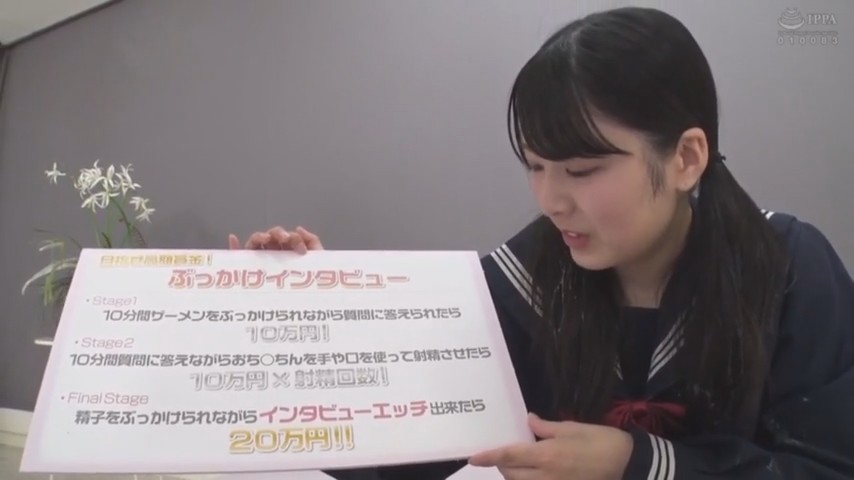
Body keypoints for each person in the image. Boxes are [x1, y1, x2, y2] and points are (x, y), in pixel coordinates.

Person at [229, 6, 854, 480]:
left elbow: (829, 464)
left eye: (582, 170)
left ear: (687, 158)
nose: (551, 200)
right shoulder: (520, 282)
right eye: (535, 166)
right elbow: (404, 453)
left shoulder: (788, 270)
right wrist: (310, 321)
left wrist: (637, 462)